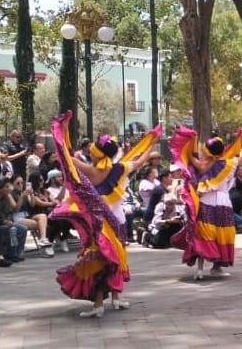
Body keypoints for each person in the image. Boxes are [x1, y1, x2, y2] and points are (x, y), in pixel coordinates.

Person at [51, 112, 161, 318]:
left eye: (92, 151)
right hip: (118, 220)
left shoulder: (90, 171)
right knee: (117, 258)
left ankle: (99, 305)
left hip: (100, 223)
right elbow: (141, 159)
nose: (90, 154)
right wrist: (152, 142)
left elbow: (64, 155)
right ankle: (117, 299)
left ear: (97, 154)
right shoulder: (122, 167)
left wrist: (63, 130)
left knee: (100, 260)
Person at [170, 126, 242, 280]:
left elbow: (190, 156)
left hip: (206, 200)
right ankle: (216, 267)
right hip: (224, 203)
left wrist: (192, 140)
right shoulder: (230, 164)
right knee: (222, 235)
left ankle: (199, 269)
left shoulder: (202, 166)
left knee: (203, 234)